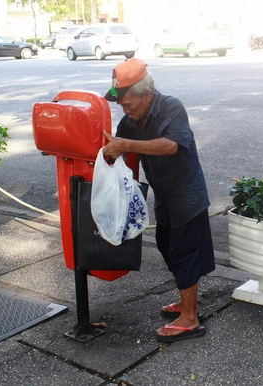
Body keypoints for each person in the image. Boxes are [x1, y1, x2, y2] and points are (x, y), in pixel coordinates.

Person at [101, 58, 215, 343]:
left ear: (146, 94)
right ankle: (189, 303)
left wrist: (125, 145)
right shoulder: (131, 120)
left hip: (187, 192)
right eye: (122, 106)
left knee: (184, 251)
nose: (125, 111)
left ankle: (190, 318)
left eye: (128, 104)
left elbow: (170, 145)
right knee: (166, 245)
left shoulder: (171, 107)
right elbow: (116, 148)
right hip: (164, 192)